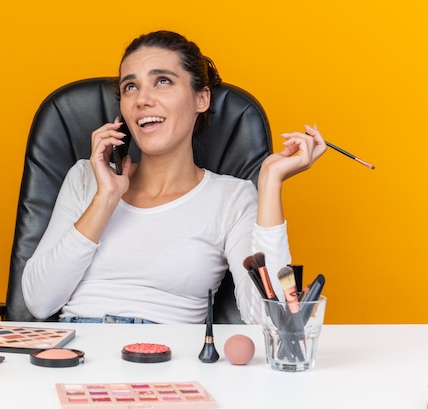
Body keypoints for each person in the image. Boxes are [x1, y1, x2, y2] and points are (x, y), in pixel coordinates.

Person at [21, 30, 326, 324]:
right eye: (130, 87)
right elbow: (39, 302)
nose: (142, 99)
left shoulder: (232, 197)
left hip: (166, 360)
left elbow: (269, 317)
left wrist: (270, 181)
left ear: (201, 99)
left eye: (162, 81)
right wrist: (105, 198)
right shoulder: (86, 178)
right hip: (75, 353)